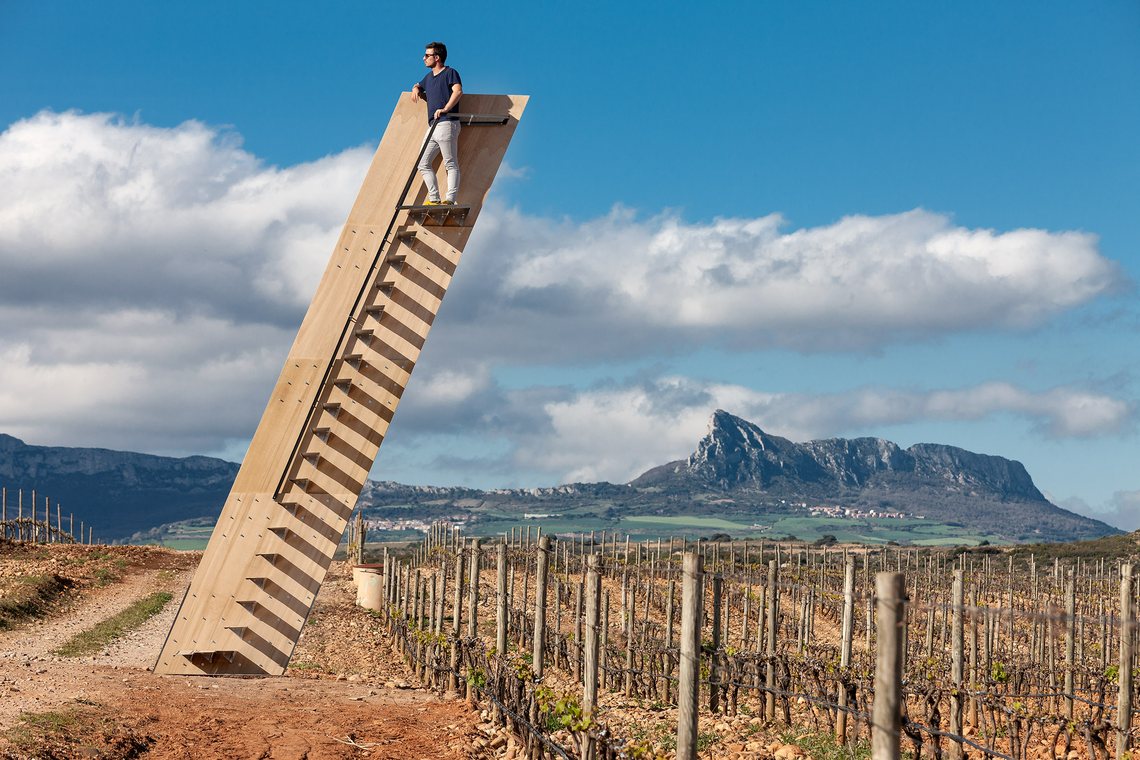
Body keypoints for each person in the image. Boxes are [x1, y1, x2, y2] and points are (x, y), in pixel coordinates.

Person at [411, 42, 463, 205]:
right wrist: (416, 88)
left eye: (427, 55)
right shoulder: (428, 77)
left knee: (450, 162)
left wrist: (445, 108)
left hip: (447, 123)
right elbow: (419, 85)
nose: (424, 58)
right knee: (422, 163)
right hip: (433, 126)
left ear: (437, 57)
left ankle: (450, 199)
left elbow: (458, 91)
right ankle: (434, 199)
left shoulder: (450, 72)